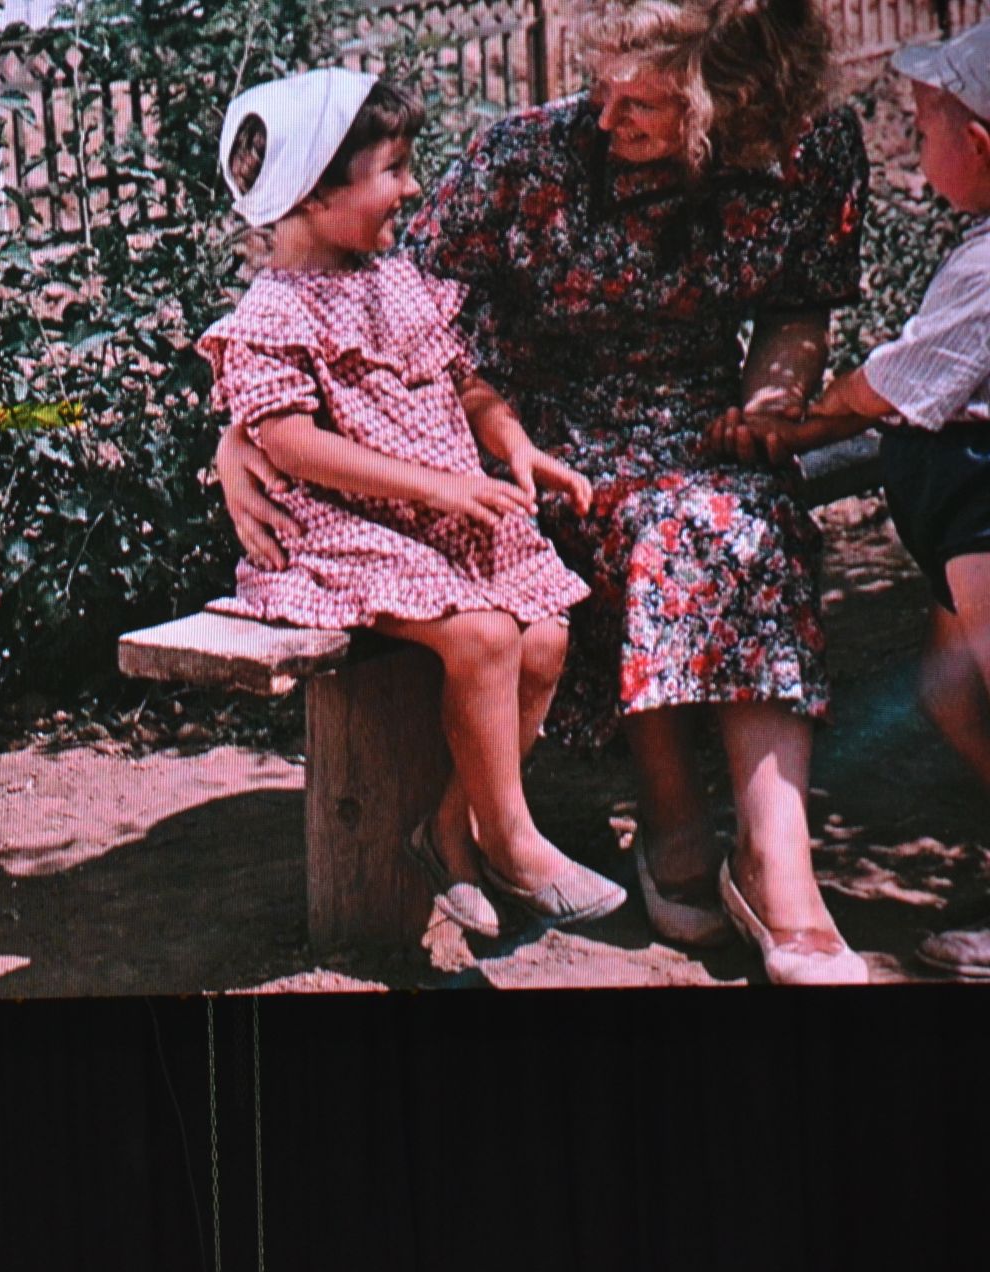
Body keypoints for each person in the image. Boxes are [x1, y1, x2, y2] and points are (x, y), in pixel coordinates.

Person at [216, 0, 870, 983]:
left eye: (641, 106)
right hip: (543, 428)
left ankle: (777, 868)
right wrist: (239, 438)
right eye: (599, 91)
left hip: (686, 420)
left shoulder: (805, 154)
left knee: (744, 515)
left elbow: (795, 310)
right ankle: (674, 819)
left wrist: (772, 404)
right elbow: (355, 302)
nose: (603, 122)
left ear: (726, 110)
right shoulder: (529, 157)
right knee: (671, 524)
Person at [198, 67, 623, 938]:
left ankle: (449, 828)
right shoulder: (274, 310)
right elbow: (285, 440)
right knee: (480, 633)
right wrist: (440, 486)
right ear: (313, 196)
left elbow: (465, 385)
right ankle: (511, 839)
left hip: (434, 521)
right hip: (342, 529)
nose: (413, 186)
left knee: (542, 633)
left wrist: (512, 445)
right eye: (392, 169)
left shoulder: (395, 278)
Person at [713, 21, 990, 977]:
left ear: (980, 146)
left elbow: (893, 381)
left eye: (923, 130)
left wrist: (802, 423)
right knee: (950, 697)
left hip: (985, 514)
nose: (914, 151)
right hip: (959, 517)